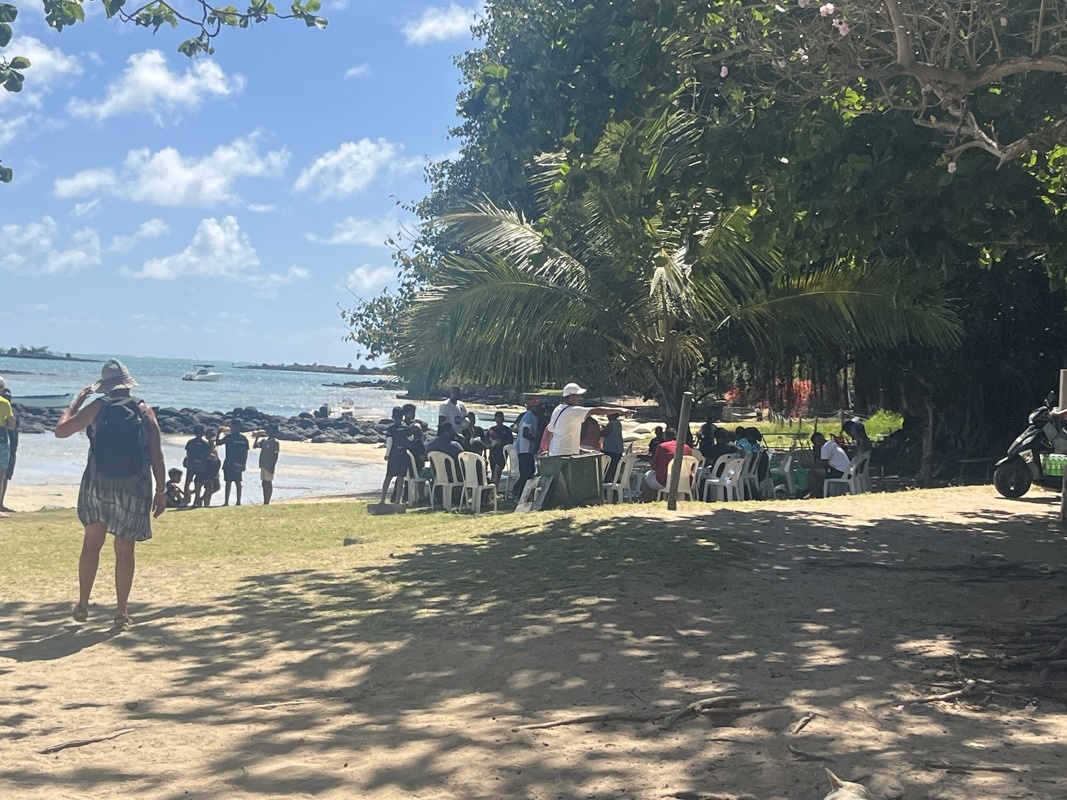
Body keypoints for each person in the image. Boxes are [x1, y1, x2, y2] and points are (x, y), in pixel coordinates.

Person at [55, 359, 166, 626]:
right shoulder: (144, 411)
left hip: (98, 482)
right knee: (125, 550)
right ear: (128, 385)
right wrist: (161, 491)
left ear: (105, 387)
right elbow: (157, 456)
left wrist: (76, 403)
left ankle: (82, 605)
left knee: (92, 544)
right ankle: (120, 612)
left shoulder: (97, 408)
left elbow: (61, 431)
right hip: (134, 485)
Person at [544, 383, 631, 456]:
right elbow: (596, 410)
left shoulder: (558, 409)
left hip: (556, 453)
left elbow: (550, 433)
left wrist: (550, 452)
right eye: (578, 396)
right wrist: (620, 410)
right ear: (571, 397)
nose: (580, 398)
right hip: (565, 455)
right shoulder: (572, 411)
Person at [641, 428, 693, 501]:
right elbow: (691, 466)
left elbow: (654, 464)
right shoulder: (687, 448)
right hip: (685, 480)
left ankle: (647, 499)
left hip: (664, 481)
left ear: (665, 436)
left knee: (646, 476)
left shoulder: (662, 447)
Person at [380, 406, 413, 504]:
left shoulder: (391, 429)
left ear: (393, 416)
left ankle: (382, 499)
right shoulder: (406, 428)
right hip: (403, 455)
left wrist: (387, 455)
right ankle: (397, 500)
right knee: (400, 477)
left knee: (388, 477)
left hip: (394, 455)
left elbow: (389, 443)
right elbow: (411, 438)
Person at [514, 397, 541, 500]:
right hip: (525, 449)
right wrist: (536, 439)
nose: (539, 409)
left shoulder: (530, 416)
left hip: (526, 449)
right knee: (527, 472)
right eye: (537, 407)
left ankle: (521, 493)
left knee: (529, 471)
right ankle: (516, 490)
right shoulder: (529, 416)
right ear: (532, 407)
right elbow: (526, 433)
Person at [218, 421, 250, 506]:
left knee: (237, 482)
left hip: (233, 462)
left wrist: (218, 433)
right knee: (230, 482)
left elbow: (245, 452)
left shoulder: (235, 438)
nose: (232, 428)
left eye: (234, 427)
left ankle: (236, 501)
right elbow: (218, 443)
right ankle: (228, 501)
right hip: (231, 462)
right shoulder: (233, 438)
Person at [810, 431, 851, 498]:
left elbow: (822, 464)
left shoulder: (825, 447)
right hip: (846, 471)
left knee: (812, 472)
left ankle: (813, 494)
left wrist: (808, 465)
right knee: (820, 472)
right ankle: (820, 492)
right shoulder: (832, 444)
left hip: (840, 472)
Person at [183, 424, 212, 506]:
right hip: (201, 466)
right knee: (198, 484)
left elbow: (188, 453)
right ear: (203, 432)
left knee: (188, 483)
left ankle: (186, 501)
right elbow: (208, 454)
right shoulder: (205, 444)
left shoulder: (190, 442)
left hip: (192, 465)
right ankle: (196, 502)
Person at [253, 423, 281, 505]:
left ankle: (267, 501)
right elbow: (255, 446)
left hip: (269, 465)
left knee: (268, 482)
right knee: (263, 482)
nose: (267, 430)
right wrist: (257, 437)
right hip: (263, 464)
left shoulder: (275, 442)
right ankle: (265, 500)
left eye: (269, 429)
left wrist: (273, 466)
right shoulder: (264, 441)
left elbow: (275, 455)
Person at [0, 383, 17, 515]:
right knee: (1, 474)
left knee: (4, 475)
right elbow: (12, 425)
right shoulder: (4, 404)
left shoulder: (7, 404)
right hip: (2, 440)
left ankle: (1, 504)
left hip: (5, 442)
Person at [486, 410, 514, 486]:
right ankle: (493, 489)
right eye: (497, 419)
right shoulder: (491, 430)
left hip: (502, 454)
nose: (499, 421)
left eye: (501, 419)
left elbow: (510, 442)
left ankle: (495, 488)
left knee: (498, 472)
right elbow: (486, 442)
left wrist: (501, 442)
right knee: (493, 471)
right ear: (495, 419)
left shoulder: (507, 430)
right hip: (493, 454)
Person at [600, 411, 624, 482]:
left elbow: (604, 433)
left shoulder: (611, 423)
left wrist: (598, 431)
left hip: (611, 449)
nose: (607, 416)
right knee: (614, 468)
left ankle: (607, 482)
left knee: (608, 469)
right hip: (617, 449)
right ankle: (613, 481)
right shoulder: (618, 423)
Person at [402, 403, 427, 469]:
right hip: (416, 468)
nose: (414, 415)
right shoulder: (418, 443)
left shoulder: (402, 425)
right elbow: (423, 458)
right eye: (412, 413)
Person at [200, 429, 221, 508]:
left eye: (213, 434)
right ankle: (206, 502)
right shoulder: (206, 445)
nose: (212, 436)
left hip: (215, 467)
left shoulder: (214, 444)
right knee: (209, 486)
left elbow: (217, 442)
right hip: (209, 467)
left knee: (217, 487)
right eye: (210, 435)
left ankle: (202, 499)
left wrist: (218, 433)